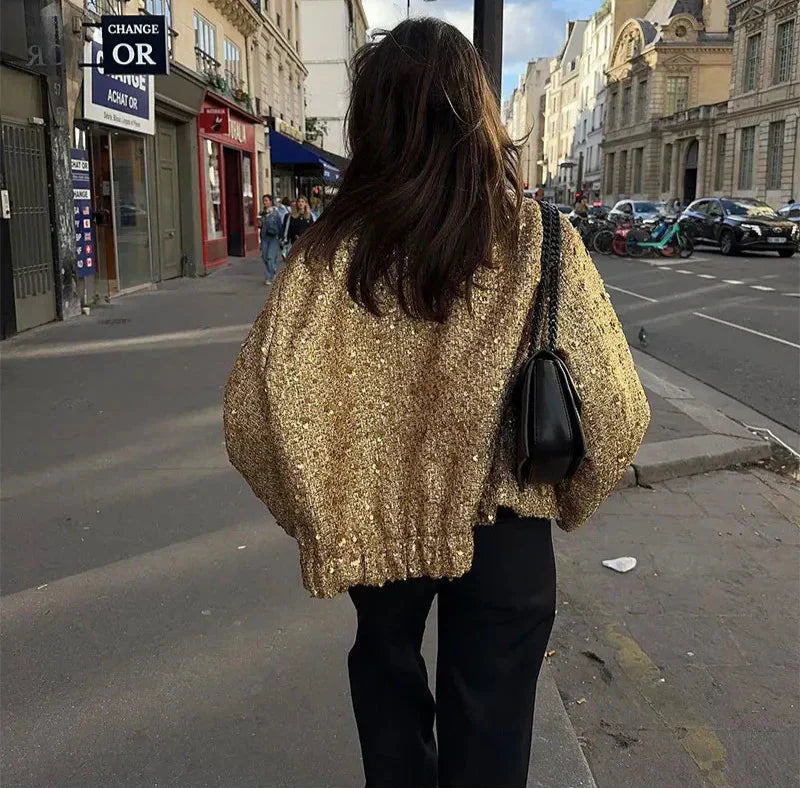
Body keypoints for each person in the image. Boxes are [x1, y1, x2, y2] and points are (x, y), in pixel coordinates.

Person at [224, 18, 649, 788]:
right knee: (493, 720)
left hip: (376, 520)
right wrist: (568, 498)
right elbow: (617, 412)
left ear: (372, 125)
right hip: (506, 525)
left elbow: (251, 418)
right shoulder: (539, 240)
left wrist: (325, 509)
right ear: (477, 116)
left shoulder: (326, 254)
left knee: (385, 674)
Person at [258, 194, 282, 285]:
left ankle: (269, 277)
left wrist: (280, 236)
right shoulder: (262, 213)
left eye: (266, 200)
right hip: (264, 237)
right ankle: (273, 270)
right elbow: (260, 225)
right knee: (264, 257)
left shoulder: (275, 213)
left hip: (273, 237)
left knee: (270, 257)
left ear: (270, 202)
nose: (265, 202)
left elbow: (280, 225)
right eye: (264, 201)